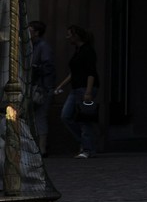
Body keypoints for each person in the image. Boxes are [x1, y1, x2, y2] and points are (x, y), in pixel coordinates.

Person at [56, 24, 99, 158]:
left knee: (84, 119)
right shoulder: (78, 51)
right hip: (76, 88)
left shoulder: (87, 51)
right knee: (66, 116)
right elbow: (73, 72)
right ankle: (86, 143)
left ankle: (87, 149)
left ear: (76, 36)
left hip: (84, 88)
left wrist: (88, 91)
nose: (67, 37)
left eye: (69, 34)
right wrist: (61, 85)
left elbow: (91, 72)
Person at [28, 21, 55, 155]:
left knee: (40, 116)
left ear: (36, 32)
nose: (27, 32)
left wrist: (35, 68)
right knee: (35, 116)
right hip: (34, 86)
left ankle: (42, 147)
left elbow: (48, 67)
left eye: (30, 30)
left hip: (41, 87)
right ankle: (37, 146)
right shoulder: (32, 46)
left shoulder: (43, 46)